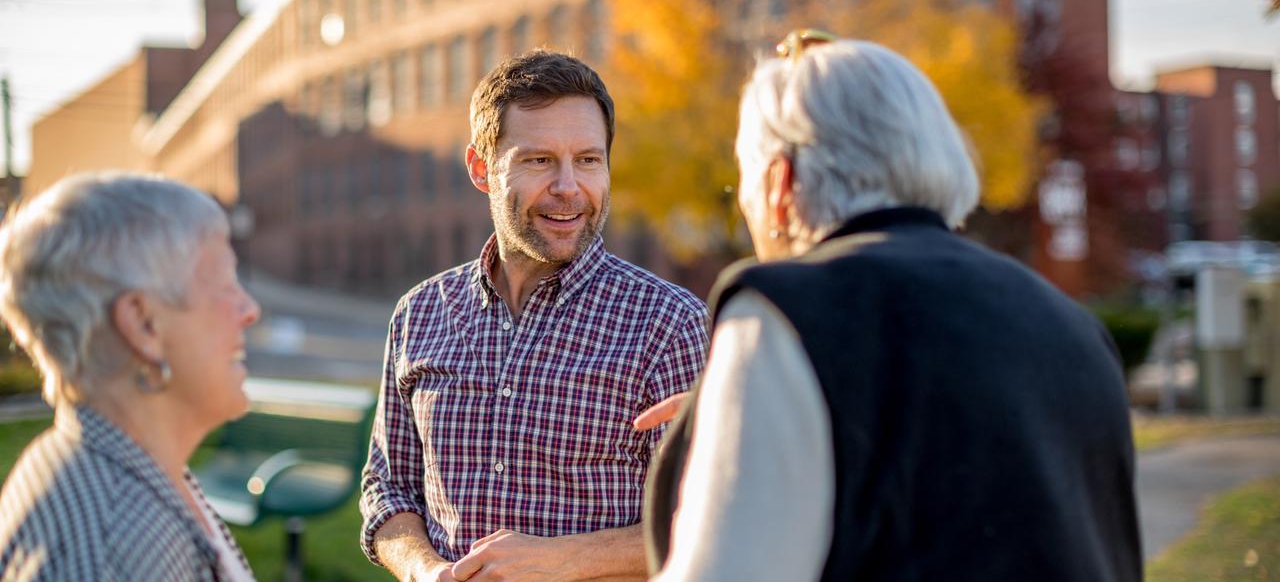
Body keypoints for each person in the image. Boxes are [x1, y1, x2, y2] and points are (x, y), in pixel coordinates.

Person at [640, 35, 1142, 582]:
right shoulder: (1072, 326)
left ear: (778, 183)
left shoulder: (787, 316)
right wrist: (751, 398)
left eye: (744, 179)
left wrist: (764, 374)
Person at [360, 50, 709, 582]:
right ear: (482, 169)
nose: (569, 187)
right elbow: (389, 490)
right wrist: (425, 570)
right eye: (539, 160)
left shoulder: (671, 325)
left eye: (589, 160)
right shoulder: (420, 313)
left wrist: (564, 559)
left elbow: (710, 519)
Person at [0, 172, 261, 582]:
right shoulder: (112, 546)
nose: (249, 309)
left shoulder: (136, 470)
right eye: (227, 282)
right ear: (143, 323)